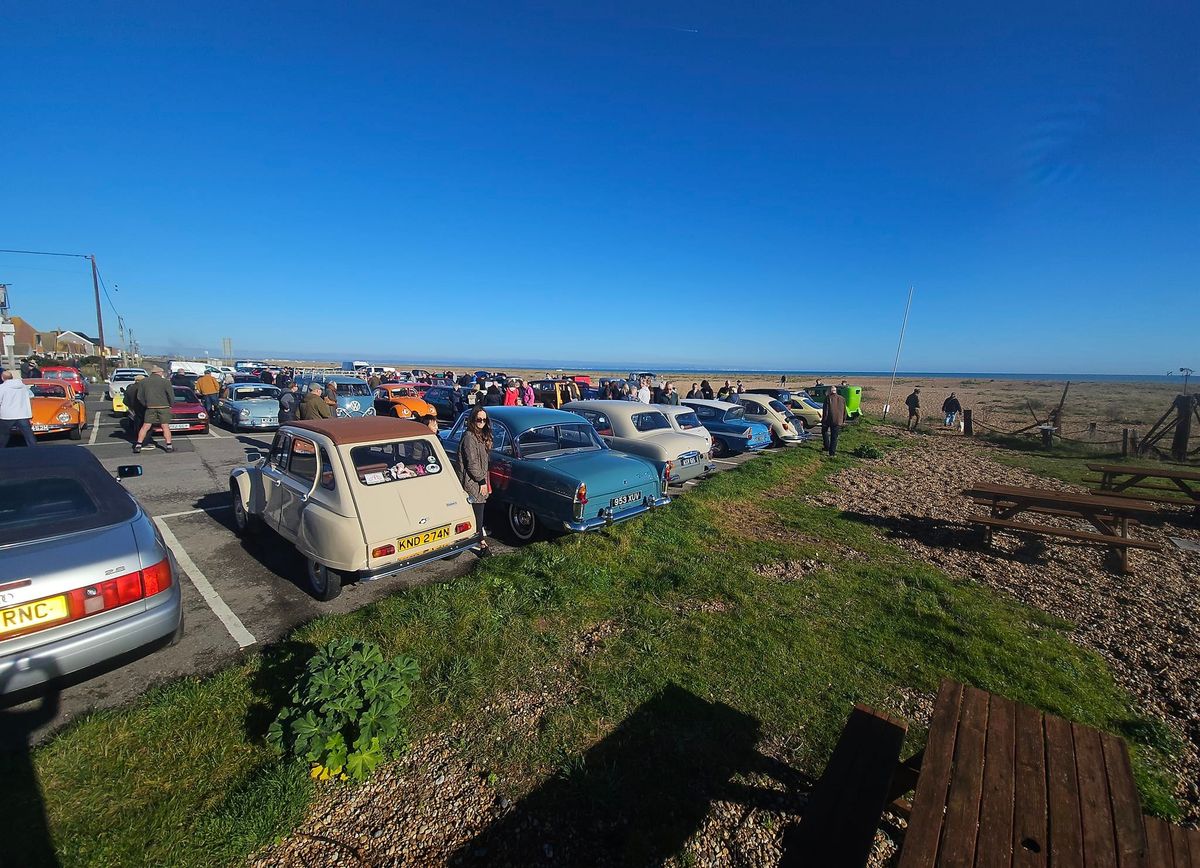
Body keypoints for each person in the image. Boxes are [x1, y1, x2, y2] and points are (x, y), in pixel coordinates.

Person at [454, 405, 493, 557]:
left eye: (484, 420)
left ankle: (478, 537)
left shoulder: (480, 436)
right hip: (472, 481)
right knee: (478, 512)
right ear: (472, 420)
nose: (481, 422)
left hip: (480, 479)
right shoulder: (469, 437)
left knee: (479, 511)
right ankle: (481, 543)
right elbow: (472, 463)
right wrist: (482, 481)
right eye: (479, 420)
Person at [134, 367, 176, 453]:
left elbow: (139, 396)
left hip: (150, 407)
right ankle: (169, 445)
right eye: (162, 372)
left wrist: (145, 404)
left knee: (145, 426)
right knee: (165, 426)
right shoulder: (166, 382)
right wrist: (171, 405)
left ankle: (138, 444)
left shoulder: (143, 382)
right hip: (164, 407)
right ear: (159, 372)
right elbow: (171, 396)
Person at [0, 370, 36, 447]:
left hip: (7, 415)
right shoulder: (23, 386)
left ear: (2, 378)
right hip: (22, 414)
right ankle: (34, 449)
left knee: (4, 435)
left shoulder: (2, 388)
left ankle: (2, 450)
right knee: (28, 435)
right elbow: (31, 395)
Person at [822, 385, 847, 457]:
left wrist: (824, 421)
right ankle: (832, 453)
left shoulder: (828, 398)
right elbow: (845, 411)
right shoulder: (842, 398)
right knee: (834, 437)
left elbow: (825, 411)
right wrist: (843, 420)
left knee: (824, 432)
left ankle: (827, 447)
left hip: (829, 420)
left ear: (830, 391)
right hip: (838, 421)